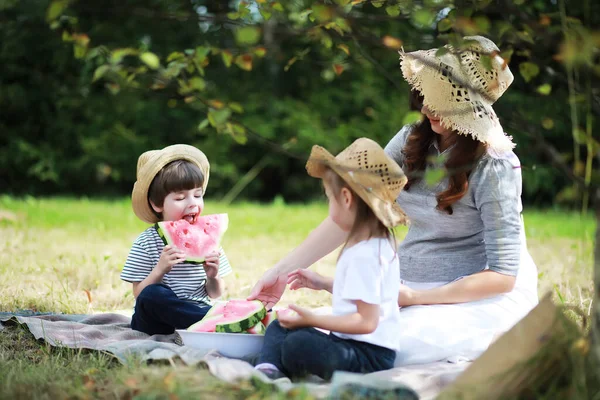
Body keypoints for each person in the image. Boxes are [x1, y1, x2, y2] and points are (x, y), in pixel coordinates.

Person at [248, 36, 539, 365]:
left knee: (394, 347)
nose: (427, 108)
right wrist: (282, 271)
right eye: (426, 95)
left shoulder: (495, 165)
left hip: (470, 297)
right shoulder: (410, 140)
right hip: (404, 287)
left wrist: (417, 297)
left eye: (442, 100)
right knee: (329, 330)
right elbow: (352, 214)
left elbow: (502, 276)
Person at [255, 138, 407, 380]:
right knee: (280, 326)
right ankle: (270, 368)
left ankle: (278, 361)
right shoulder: (374, 243)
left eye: (329, 198)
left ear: (346, 199)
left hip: (368, 357)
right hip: (350, 344)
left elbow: (367, 321)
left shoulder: (365, 253)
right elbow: (366, 295)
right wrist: (322, 282)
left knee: (298, 344)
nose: (329, 206)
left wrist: (314, 319)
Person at [121, 144, 233, 335]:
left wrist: (212, 276)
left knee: (215, 305)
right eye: (181, 198)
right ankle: (216, 322)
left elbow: (215, 293)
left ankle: (206, 321)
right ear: (157, 204)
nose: (193, 203)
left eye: (198, 195)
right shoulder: (146, 243)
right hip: (155, 323)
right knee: (152, 295)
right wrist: (159, 269)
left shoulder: (207, 240)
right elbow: (139, 295)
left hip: (195, 310)